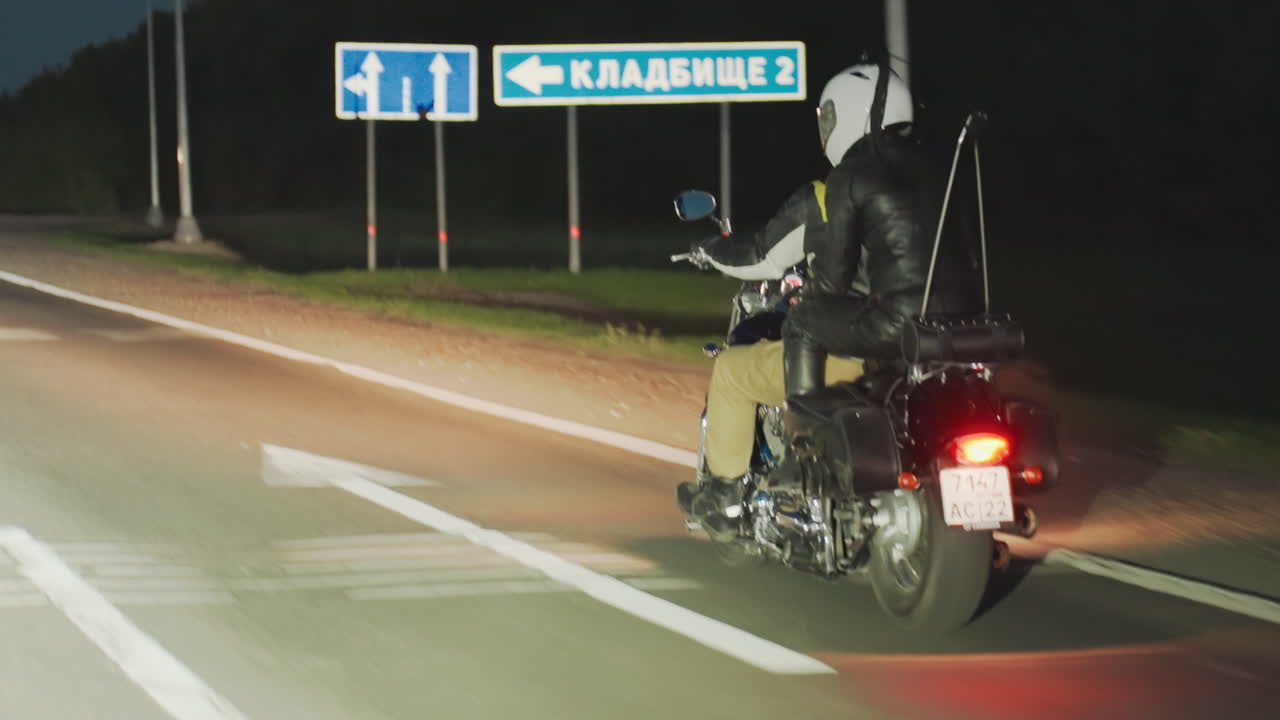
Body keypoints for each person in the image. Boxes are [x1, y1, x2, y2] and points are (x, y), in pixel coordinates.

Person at [678, 59, 982, 541]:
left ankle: (727, 497)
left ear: (847, 115)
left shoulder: (832, 190)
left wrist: (712, 251)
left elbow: (765, 259)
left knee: (734, 372)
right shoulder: (940, 177)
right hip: (947, 342)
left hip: (866, 345)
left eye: (828, 117)